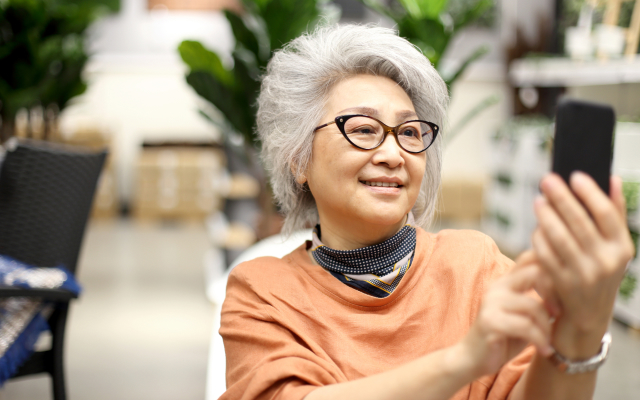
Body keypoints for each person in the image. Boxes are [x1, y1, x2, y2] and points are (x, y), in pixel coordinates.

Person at [219, 24, 634, 400]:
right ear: (298, 159)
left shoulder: (475, 267)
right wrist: (464, 361)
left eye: (410, 132)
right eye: (363, 128)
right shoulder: (262, 292)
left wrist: (583, 326)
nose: (393, 153)